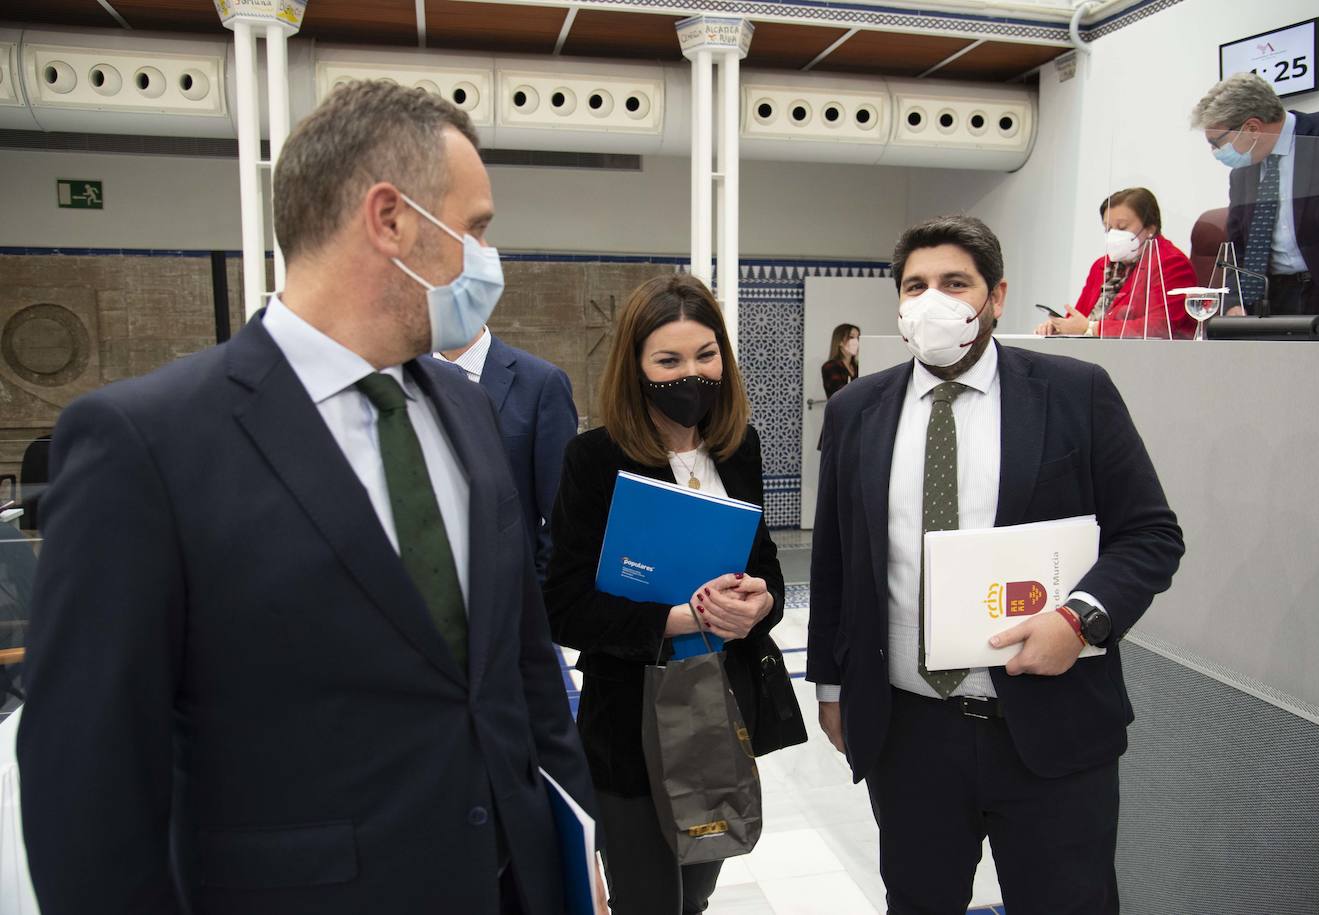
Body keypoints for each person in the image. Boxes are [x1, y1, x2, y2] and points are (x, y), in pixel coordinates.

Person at [18, 81, 599, 915]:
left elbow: (521, 671)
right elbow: (87, 786)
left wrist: (577, 851)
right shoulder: (146, 444)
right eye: (474, 228)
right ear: (391, 219)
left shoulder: (463, 407)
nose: (485, 257)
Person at [808, 215, 1185, 914]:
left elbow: (1150, 534)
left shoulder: (1076, 393)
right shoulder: (858, 409)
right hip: (911, 731)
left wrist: (1080, 620)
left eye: (956, 282)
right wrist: (832, 686)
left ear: (997, 295)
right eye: (916, 285)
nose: (934, 301)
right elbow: (835, 558)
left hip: (1051, 726)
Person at [543, 273, 786, 915]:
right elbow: (562, 604)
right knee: (649, 900)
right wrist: (679, 617)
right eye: (669, 361)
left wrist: (759, 605)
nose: (692, 375)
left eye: (706, 356)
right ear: (638, 367)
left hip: (717, 712)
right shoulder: (594, 460)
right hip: (630, 724)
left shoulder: (739, 449)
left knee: (698, 890)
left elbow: (766, 569)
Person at [1191, 73, 1319, 317]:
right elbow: (1238, 249)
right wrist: (1235, 300)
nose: (1215, 152)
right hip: (1273, 303)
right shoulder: (1241, 174)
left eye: (1217, 142)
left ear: (1252, 128)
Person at [434, 325, 578, 580]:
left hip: (508, 592)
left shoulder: (542, 382)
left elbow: (562, 513)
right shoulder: (397, 378)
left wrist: (537, 594)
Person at [1035, 187, 1199, 339]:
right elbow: (1080, 319)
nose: (1113, 235)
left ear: (1150, 228)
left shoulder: (1172, 263)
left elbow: (1160, 327)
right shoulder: (1102, 266)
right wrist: (1060, 326)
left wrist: (1092, 328)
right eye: (1108, 229)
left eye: (1121, 227)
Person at [821, 323, 861, 397]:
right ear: (840, 341)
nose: (856, 342)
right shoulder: (830, 367)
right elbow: (839, 394)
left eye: (858, 338)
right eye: (851, 337)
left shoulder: (857, 367)